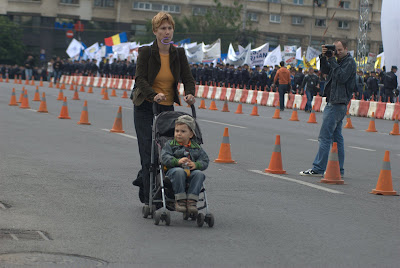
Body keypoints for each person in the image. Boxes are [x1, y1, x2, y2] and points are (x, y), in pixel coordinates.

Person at [131, 11, 196, 205]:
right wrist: (153, 95)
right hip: (145, 104)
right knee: (148, 149)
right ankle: (152, 194)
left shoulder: (179, 53)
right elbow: (140, 79)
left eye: (169, 28)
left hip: (166, 107)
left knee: (167, 149)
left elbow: (187, 77)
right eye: (162, 29)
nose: (166, 32)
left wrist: (190, 93)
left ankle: (161, 187)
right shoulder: (146, 52)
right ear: (155, 31)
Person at [300, 40, 356, 177]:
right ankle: (338, 169)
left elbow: (341, 77)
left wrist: (332, 59)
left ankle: (318, 167)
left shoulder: (349, 62)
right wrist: (324, 58)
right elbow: (325, 71)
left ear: (346, 49)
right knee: (336, 138)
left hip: (338, 103)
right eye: (335, 50)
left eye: (340, 50)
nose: (337, 52)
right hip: (333, 101)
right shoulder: (337, 61)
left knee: (325, 137)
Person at [161, 115, 209, 213]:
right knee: (179, 171)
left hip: (191, 171)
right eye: (177, 131)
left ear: (191, 134)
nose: (179, 134)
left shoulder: (196, 147)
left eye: (183, 132)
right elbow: (164, 157)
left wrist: (196, 164)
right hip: (173, 171)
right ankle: (180, 200)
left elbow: (205, 160)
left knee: (199, 174)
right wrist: (177, 161)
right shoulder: (170, 145)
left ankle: (192, 201)